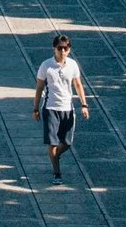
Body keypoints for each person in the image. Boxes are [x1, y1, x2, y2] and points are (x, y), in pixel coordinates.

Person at [33, 35, 89, 180]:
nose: (63, 51)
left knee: (67, 143)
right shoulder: (46, 65)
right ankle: (57, 172)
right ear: (54, 48)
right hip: (51, 107)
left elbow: (78, 85)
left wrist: (84, 104)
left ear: (69, 49)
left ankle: (55, 156)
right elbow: (39, 88)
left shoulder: (72, 65)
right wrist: (35, 108)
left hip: (67, 108)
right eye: (60, 48)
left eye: (66, 48)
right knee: (52, 142)